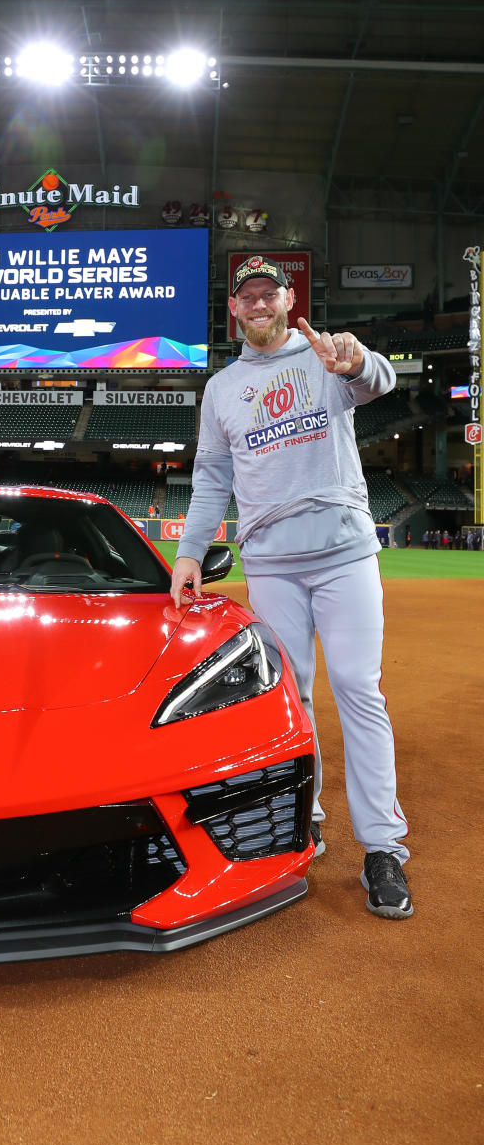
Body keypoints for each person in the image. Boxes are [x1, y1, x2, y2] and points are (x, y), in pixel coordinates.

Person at [169, 256, 412, 920]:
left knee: (359, 687)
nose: (258, 304)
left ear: (288, 299)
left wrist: (358, 360)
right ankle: (305, 813)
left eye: (268, 294)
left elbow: (381, 381)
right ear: (234, 310)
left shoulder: (324, 355)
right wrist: (190, 551)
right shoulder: (220, 389)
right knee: (290, 695)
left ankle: (383, 847)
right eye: (246, 296)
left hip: (342, 553)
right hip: (272, 561)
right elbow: (211, 479)